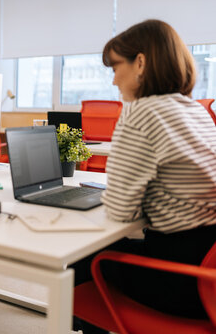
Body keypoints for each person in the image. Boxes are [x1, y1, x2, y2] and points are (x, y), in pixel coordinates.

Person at [72, 19, 216, 333]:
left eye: (114, 68)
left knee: (78, 254)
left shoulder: (141, 112)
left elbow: (120, 212)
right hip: (208, 269)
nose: (113, 81)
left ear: (140, 63)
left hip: (180, 279)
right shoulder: (196, 110)